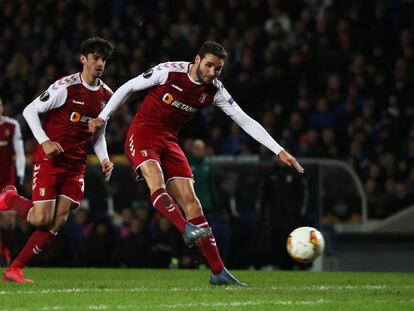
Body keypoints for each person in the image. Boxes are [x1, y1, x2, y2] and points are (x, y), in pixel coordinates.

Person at [88, 41, 304, 286]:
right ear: (197, 60)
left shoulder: (215, 90)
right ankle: (184, 228)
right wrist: (102, 117)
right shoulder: (169, 71)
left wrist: (279, 150)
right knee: (155, 179)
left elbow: (245, 121)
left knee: (193, 203)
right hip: (142, 133)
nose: (213, 72)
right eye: (210, 65)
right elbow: (128, 87)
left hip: (170, 141)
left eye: (218, 69)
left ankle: (218, 271)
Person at [0, 37, 115, 283]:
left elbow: (98, 135)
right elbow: (30, 111)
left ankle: (15, 268)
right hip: (50, 161)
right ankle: (9, 197)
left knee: (58, 220)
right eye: (95, 58)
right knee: (41, 219)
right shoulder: (65, 87)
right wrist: (44, 141)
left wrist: (104, 159)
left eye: (103, 59)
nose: (100, 63)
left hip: (76, 167)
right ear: (83, 59)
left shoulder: (107, 96)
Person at [0, 98, 25, 265]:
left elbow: (20, 152)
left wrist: (21, 175)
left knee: (9, 222)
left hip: (6, 182)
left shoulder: (12, 125)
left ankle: (5, 248)